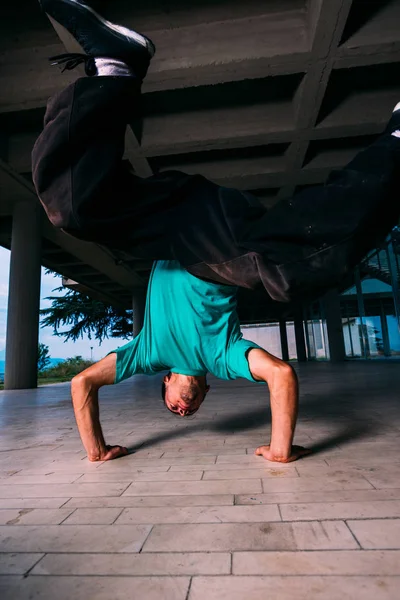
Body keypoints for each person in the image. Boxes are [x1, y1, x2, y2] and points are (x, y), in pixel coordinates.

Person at [32, 0, 400, 462]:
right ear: (204, 392)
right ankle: (396, 145)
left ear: (165, 383)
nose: (184, 409)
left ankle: (115, 68)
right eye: (192, 411)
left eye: (175, 410)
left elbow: (82, 382)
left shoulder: (145, 353)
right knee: (287, 275)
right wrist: (281, 449)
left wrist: (97, 451)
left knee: (73, 210)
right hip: (215, 239)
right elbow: (281, 375)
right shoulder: (224, 358)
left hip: (170, 223)